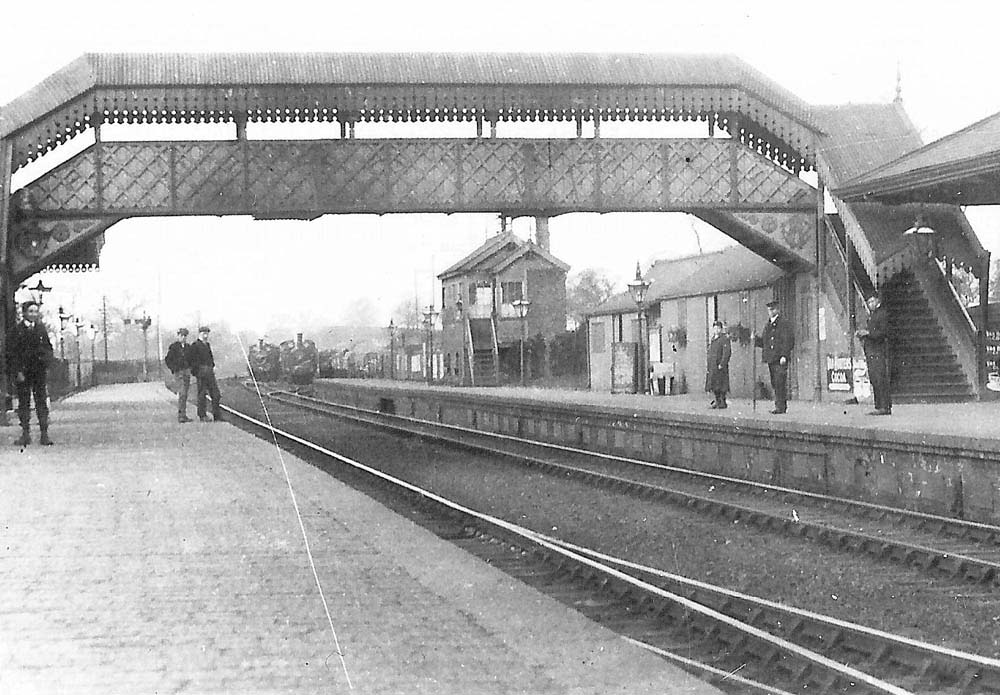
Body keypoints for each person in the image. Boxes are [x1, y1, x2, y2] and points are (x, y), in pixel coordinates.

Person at [7, 300, 54, 445]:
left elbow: (48, 348)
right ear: (24, 313)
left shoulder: (41, 329)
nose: (33, 314)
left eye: (35, 311)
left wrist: (45, 361)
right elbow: (12, 353)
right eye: (30, 311)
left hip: (38, 371)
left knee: (41, 401)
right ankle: (25, 433)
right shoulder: (17, 330)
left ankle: (44, 434)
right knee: (24, 402)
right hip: (23, 372)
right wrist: (17, 371)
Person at [753, 299, 794, 414]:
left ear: (777, 310)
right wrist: (755, 340)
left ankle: (781, 407)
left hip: (780, 358)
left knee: (780, 381)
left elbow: (788, 340)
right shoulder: (768, 325)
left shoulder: (783, 323)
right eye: (769, 310)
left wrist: (784, 355)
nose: (771, 312)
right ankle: (779, 405)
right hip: (771, 358)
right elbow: (765, 343)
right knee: (775, 383)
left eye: (773, 309)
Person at [856, 294, 891, 415]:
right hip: (872, 350)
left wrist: (867, 333)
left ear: (877, 301)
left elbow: (883, 332)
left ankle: (884, 406)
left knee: (880, 377)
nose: (870, 304)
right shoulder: (874, 314)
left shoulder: (882, 314)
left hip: (878, 349)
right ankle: (879, 405)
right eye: (868, 302)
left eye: (871, 301)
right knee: (874, 378)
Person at [188, 326, 223, 422]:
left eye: (207, 333)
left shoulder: (207, 345)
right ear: (199, 334)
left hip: (210, 372)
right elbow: (192, 361)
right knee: (202, 394)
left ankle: (217, 416)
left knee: (216, 394)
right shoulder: (195, 345)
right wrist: (197, 372)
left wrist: (212, 366)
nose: (206, 335)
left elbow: (210, 358)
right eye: (204, 333)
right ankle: (202, 415)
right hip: (201, 373)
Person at [164, 327, 193, 423]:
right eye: (182, 335)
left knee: (185, 394)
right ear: (178, 336)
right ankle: (181, 415)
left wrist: (190, 368)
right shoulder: (174, 347)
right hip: (179, 372)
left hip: (186, 372)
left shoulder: (188, 347)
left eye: (185, 336)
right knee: (182, 392)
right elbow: (168, 360)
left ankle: (183, 415)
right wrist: (174, 369)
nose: (183, 337)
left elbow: (192, 359)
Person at [705, 320, 731, 409]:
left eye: (718, 328)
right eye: (715, 328)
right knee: (714, 384)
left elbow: (726, 352)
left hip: (720, 366)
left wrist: (722, 364)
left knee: (721, 384)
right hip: (713, 366)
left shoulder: (724, 339)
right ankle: (717, 400)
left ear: (721, 329)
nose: (716, 330)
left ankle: (722, 401)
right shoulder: (713, 339)